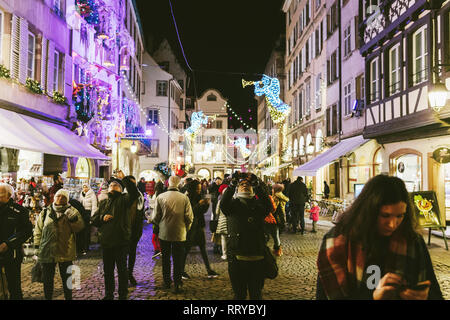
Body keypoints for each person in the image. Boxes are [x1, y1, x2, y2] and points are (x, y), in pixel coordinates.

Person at [316, 175, 443, 300]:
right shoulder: (336, 242)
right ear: (368, 211)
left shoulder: (412, 241)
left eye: (400, 216)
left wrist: (425, 296)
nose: (393, 224)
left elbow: (434, 291)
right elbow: (324, 295)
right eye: (385, 215)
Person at [219, 172, 273, 300]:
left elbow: (268, 206)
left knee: (256, 294)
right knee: (239, 295)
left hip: (257, 256)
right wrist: (232, 185)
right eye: (241, 184)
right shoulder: (232, 206)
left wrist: (257, 185)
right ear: (237, 188)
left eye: (248, 184)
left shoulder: (259, 206)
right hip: (237, 257)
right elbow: (223, 204)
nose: (245, 186)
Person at [91, 170, 139, 300]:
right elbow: (94, 220)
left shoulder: (125, 200)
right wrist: (102, 218)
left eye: (116, 185)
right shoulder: (103, 203)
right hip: (106, 241)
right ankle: (109, 294)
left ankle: (123, 295)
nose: (113, 187)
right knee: (108, 271)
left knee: (122, 270)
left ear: (121, 189)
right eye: (111, 185)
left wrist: (124, 179)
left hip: (121, 241)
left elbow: (134, 193)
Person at [34, 189, 84, 300]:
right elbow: (38, 230)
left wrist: (73, 219)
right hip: (48, 250)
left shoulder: (72, 211)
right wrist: (37, 247)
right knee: (47, 279)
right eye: (58, 196)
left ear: (67, 199)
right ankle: (48, 297)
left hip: (65, 249)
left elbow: (79, 227)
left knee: (67, 278)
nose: (60, 198)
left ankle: (68, 297)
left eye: (63, 197)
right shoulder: (46, 211)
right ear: (54, 197)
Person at [151, 175, 193, 293]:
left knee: (166, 258)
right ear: (179, 184)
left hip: (164, 232)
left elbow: (155, 217)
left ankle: (167, 281)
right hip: (180, 233)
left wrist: (159, 225)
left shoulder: (161, 197)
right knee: (178, 259)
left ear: (168, 184)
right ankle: (178, 283)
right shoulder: (184, 198)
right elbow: (189, 217)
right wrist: (186, 228)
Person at [0, 183, 33, 300]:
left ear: (9, 195)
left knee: (14, 287)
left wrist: (8, 244)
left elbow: (26, 231)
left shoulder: (19, 211)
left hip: (11, 254)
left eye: (1, 194)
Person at [182, 180, 219, 280]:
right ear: (193, 189)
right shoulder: (187, 198)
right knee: (187, 249)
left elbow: (202, 212)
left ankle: (209, 270)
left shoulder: (199, 196)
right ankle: (181, 271)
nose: (199, 190)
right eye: (197, 189)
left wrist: (206, 204)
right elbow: (191, 212)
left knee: (203, 248)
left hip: (199, 226)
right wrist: (199, 204)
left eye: (200, 188)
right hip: (191, 227)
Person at [125, 176, 145, 286]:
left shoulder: (139, 195)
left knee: (132, 252)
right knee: (122, 254)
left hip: (134, 230)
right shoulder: (123, 195)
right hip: (123, 230)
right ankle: (125, 274)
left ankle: (129, 273)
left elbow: (139, 210)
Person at [79, 183, 98, 254]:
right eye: (83, 187)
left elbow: (94, 206)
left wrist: (92, 216)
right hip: (83, 213)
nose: (85, 188)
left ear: (88, 187)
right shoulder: (81, 194)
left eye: (86, 187)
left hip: (88, 213)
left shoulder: (92, 195)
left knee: (87, 230)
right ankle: (84, 246)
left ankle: (86, 247)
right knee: (83, 230)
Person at [215, 184, 229, 260]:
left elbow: (216, 212)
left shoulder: (220, 201)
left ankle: (225, 254)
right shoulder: (232, 200)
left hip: (222, 222)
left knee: (223, 239)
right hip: (230, 222)